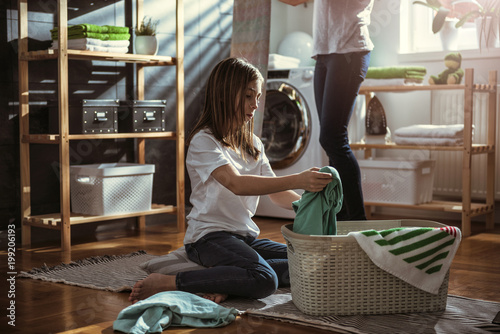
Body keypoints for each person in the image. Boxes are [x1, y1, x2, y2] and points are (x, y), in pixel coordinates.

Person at [129, 57, 333, 304]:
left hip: (244, 238)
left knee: (308, 259)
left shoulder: (254, 145)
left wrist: (311, 206)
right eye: (248, 96)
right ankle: (171, 282)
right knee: (265, 279)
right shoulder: (204, 142)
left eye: (257, 97)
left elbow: (276, 193)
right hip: (207, 238)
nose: (255, 105)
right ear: (225, 93)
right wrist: (299, 179)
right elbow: (236, 183)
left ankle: (227, 280)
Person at [280, 0, 374, 220]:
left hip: (348, 51)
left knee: (333, 139)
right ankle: (339, 221)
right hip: (324, 54)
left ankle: (357, 223)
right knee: (332, 142)